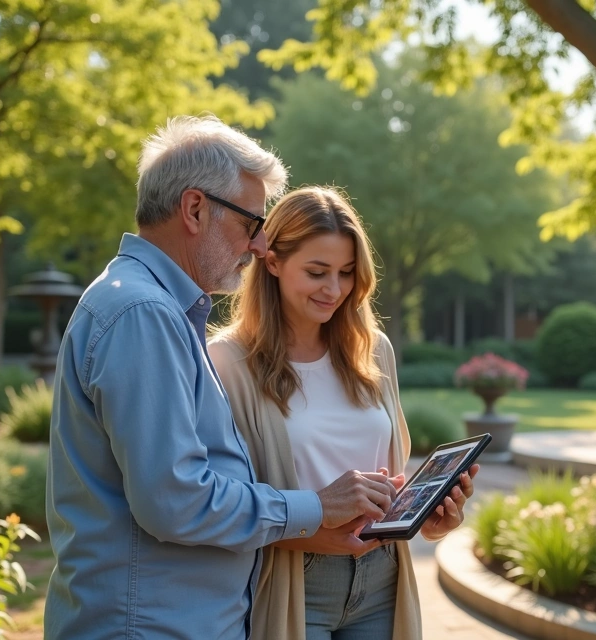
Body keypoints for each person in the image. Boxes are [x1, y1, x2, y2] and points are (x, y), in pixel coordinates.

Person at [43, 118, 400, 640]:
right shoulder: (144, 312)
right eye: (251, 223)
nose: (259, 246)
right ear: (194, 209)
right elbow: (176, 501)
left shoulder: (156, 307)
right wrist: (316, 507)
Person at [209, 187, 478, 640]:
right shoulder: (227, 362)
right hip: (297, 582)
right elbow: (217, 505)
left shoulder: (373, 351)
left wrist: (428, 518)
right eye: (317, 272)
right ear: (272, 261)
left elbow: (388, 472)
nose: (334, 290)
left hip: (383, 578)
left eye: (347, 273)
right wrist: (313, 529)